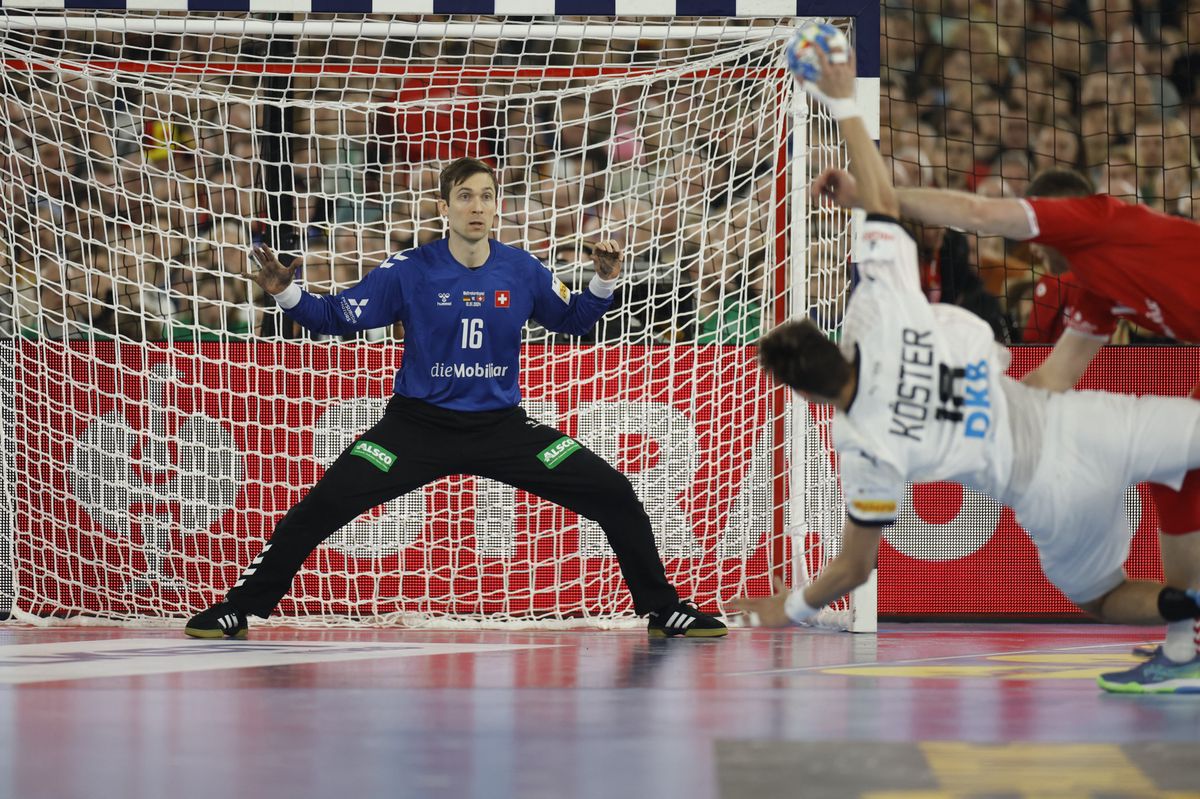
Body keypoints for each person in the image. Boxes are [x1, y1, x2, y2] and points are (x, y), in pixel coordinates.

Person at [729, 45, 1200, 694]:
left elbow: (852, 568)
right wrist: (842, 102)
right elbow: (889, 211)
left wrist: (789, 608)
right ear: (829, 334)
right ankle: (1188, 643)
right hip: (1088, 422)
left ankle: (1188, 619)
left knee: (1102, 596)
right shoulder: (882, 310)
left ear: (803, 392)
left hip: (1046, 492)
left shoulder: (861, 444)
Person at [185, 157, 726, 640]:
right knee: (321, 506)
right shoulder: (410, 271)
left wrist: (603, 283)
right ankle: (240, 608)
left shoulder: (522, 269)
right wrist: (285, 290)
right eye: (465, 195)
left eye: (487, 196)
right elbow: (333, 319)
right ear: (444, 207)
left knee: (614, 491)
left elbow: (573, 320)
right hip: (415, 429)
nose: (477, 206)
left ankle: (662, 609)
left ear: (499, 207)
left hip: (503, 430)